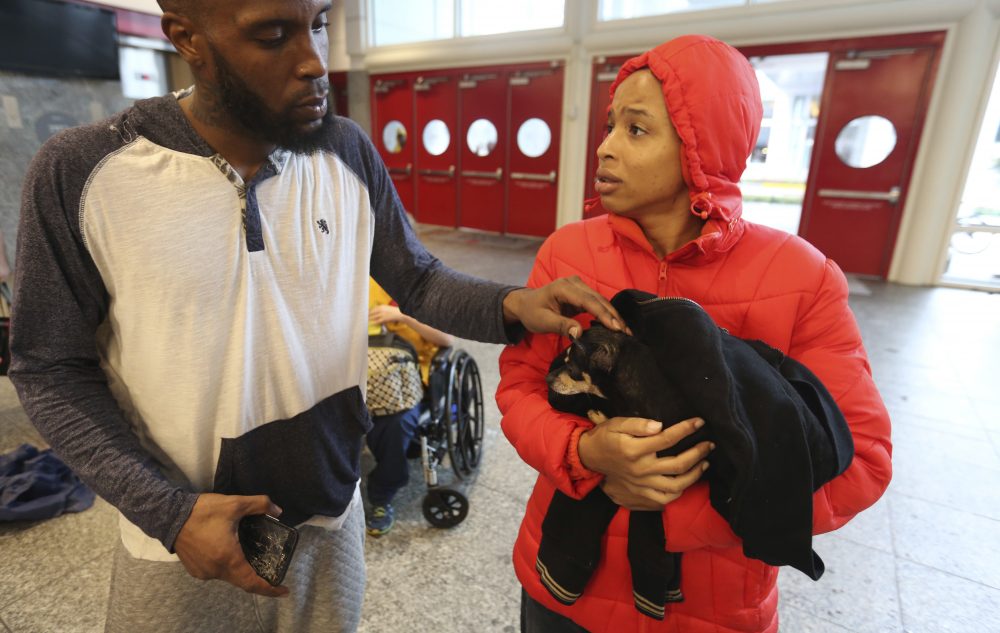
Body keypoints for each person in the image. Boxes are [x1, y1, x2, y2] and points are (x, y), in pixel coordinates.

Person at [8, 2, 627, 632]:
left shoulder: (347, 151)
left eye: (322, 23)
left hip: (331, 515)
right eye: (274, 35)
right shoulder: (83, 172)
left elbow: (415, 277)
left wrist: (511, 305)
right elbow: (50, 368)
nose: (314, 61)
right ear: (188, 39)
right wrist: (166, 512)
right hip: (180, 541)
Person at [496, 34, 893, 633]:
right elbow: (520, 389)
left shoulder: (801, 277)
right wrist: (584, 454)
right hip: (563, 587)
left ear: (701, 143)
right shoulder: (567, 253)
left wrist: (685, 506)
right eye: (609, 126)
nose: (603, 148)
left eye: (635, 130)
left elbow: (860, 459)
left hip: (712, 608)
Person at [364, 277, 453, 536]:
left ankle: (381, 497)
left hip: (410, 383)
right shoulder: (360, 278)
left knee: (395, 423)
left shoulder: (424, 285)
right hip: (362, 375)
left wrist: (402, 316)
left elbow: (446, 340)